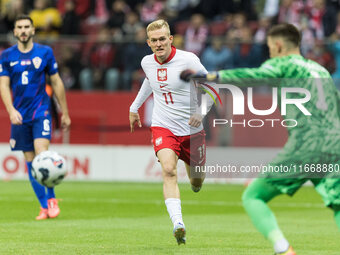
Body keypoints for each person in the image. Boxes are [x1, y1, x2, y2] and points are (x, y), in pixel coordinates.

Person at [180, 23, 340, 255]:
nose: (270, 52)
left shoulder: (283, 63)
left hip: (307, 142)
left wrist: (213, 76)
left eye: (269, 47)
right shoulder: (321, 70)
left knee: (253, 196)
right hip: (335, 143)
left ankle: (283, 249)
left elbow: (254, 76)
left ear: (277, 44)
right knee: (337, 203)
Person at [129, 19, 209, 245]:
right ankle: (178, 224)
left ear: (171, 39)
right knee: (168, 170)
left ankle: (194, 179)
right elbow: (149, 81)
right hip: (163, 125)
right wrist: (134, 106)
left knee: (196, 180)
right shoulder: (147, 62)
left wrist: (200, 112)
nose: (159, 44)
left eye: (162, 39)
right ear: (148, 43)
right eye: (154, 40)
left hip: (192, 130)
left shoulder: (188, 60)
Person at [0, 15, 71, 220]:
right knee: (30, 162)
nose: (23, 30)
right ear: (14, 32)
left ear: (32, 30)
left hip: (41, 111)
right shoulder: (6, 56)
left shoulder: (45, 52)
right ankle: (43, 207)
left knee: (42, 155)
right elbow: (3, 85)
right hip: (20, 115)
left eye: (26, 27)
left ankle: (51, 199)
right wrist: (11, 110)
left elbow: (56, 82)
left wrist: (65, 112)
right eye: (19, 27)